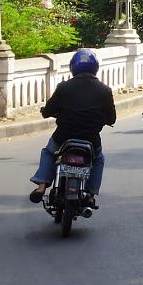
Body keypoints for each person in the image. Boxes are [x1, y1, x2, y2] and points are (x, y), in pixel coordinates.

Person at [29, 49, 116, 204]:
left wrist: (47, 112)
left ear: (73, 67)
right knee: (98, 160)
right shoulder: (105, 90)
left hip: (63, 137)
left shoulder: (64, 87)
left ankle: (41, 186)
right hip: (91, 139)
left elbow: (48, 110)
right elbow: (112, 118)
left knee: (49, 152)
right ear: (95, 67)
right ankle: (90, 194)